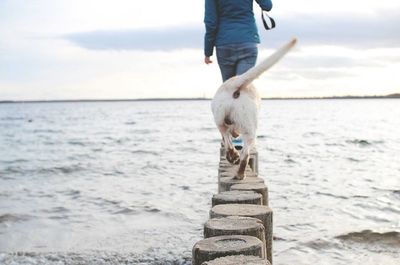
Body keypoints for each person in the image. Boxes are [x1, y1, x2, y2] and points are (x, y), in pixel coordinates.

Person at [204, 0, 273, 82]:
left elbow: (211, 23)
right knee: (242, 87)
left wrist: (208, 52)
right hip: (247, 40)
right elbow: (267, 6)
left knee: (229, 89)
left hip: (225, 43)